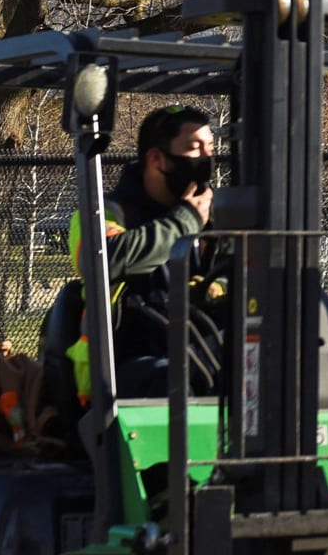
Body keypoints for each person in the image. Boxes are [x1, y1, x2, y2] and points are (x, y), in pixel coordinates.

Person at [54, 103, 221, 404]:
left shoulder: (213, 219)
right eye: (195, 148)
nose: (207, 158)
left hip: (196, 352)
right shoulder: (104, 213)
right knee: (178, 379)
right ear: (157, 159)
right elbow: (105, 259)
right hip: (120, 370)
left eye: (211, 147)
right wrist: (185, 222)